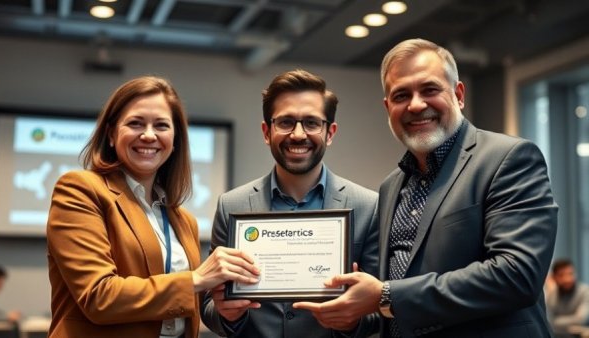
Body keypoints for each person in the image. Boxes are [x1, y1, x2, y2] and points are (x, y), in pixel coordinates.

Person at [294, 38, 558, 337]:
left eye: (430, 90)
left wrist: (386, 295)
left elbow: (517, 275)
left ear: (458, 94)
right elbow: (390, 299)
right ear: (388, 107)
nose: (416, 104)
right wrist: (352, 315)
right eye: (401, 95)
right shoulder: (390, 187)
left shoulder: (508, 158)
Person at [46, 76, 260, 338]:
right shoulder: (80, 189)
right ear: (112, 134)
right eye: (135, 123)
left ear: (174, 139)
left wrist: (227, 305)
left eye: (161, 125)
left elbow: (187, 305)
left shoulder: (184, 220)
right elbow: (98, 297)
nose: (149, 135)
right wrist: (196, 279)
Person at [200, 69, 379, 338]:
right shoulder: (231, 205)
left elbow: (380, 308)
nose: (297, 134)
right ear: (266, 131)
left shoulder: (367, 205)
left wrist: (352, 322)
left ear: (329, 132)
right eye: (285, 122)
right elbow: (208, 305)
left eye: (311, 123)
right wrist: (227, 315)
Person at [545, 259, 589, 337]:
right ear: (554, 277)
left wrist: (556, 322)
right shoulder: (552, 295)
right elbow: (548, 321)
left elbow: (580, 319)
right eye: (561, 275)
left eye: (570, 274)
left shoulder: (585, 292)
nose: (567, 279)